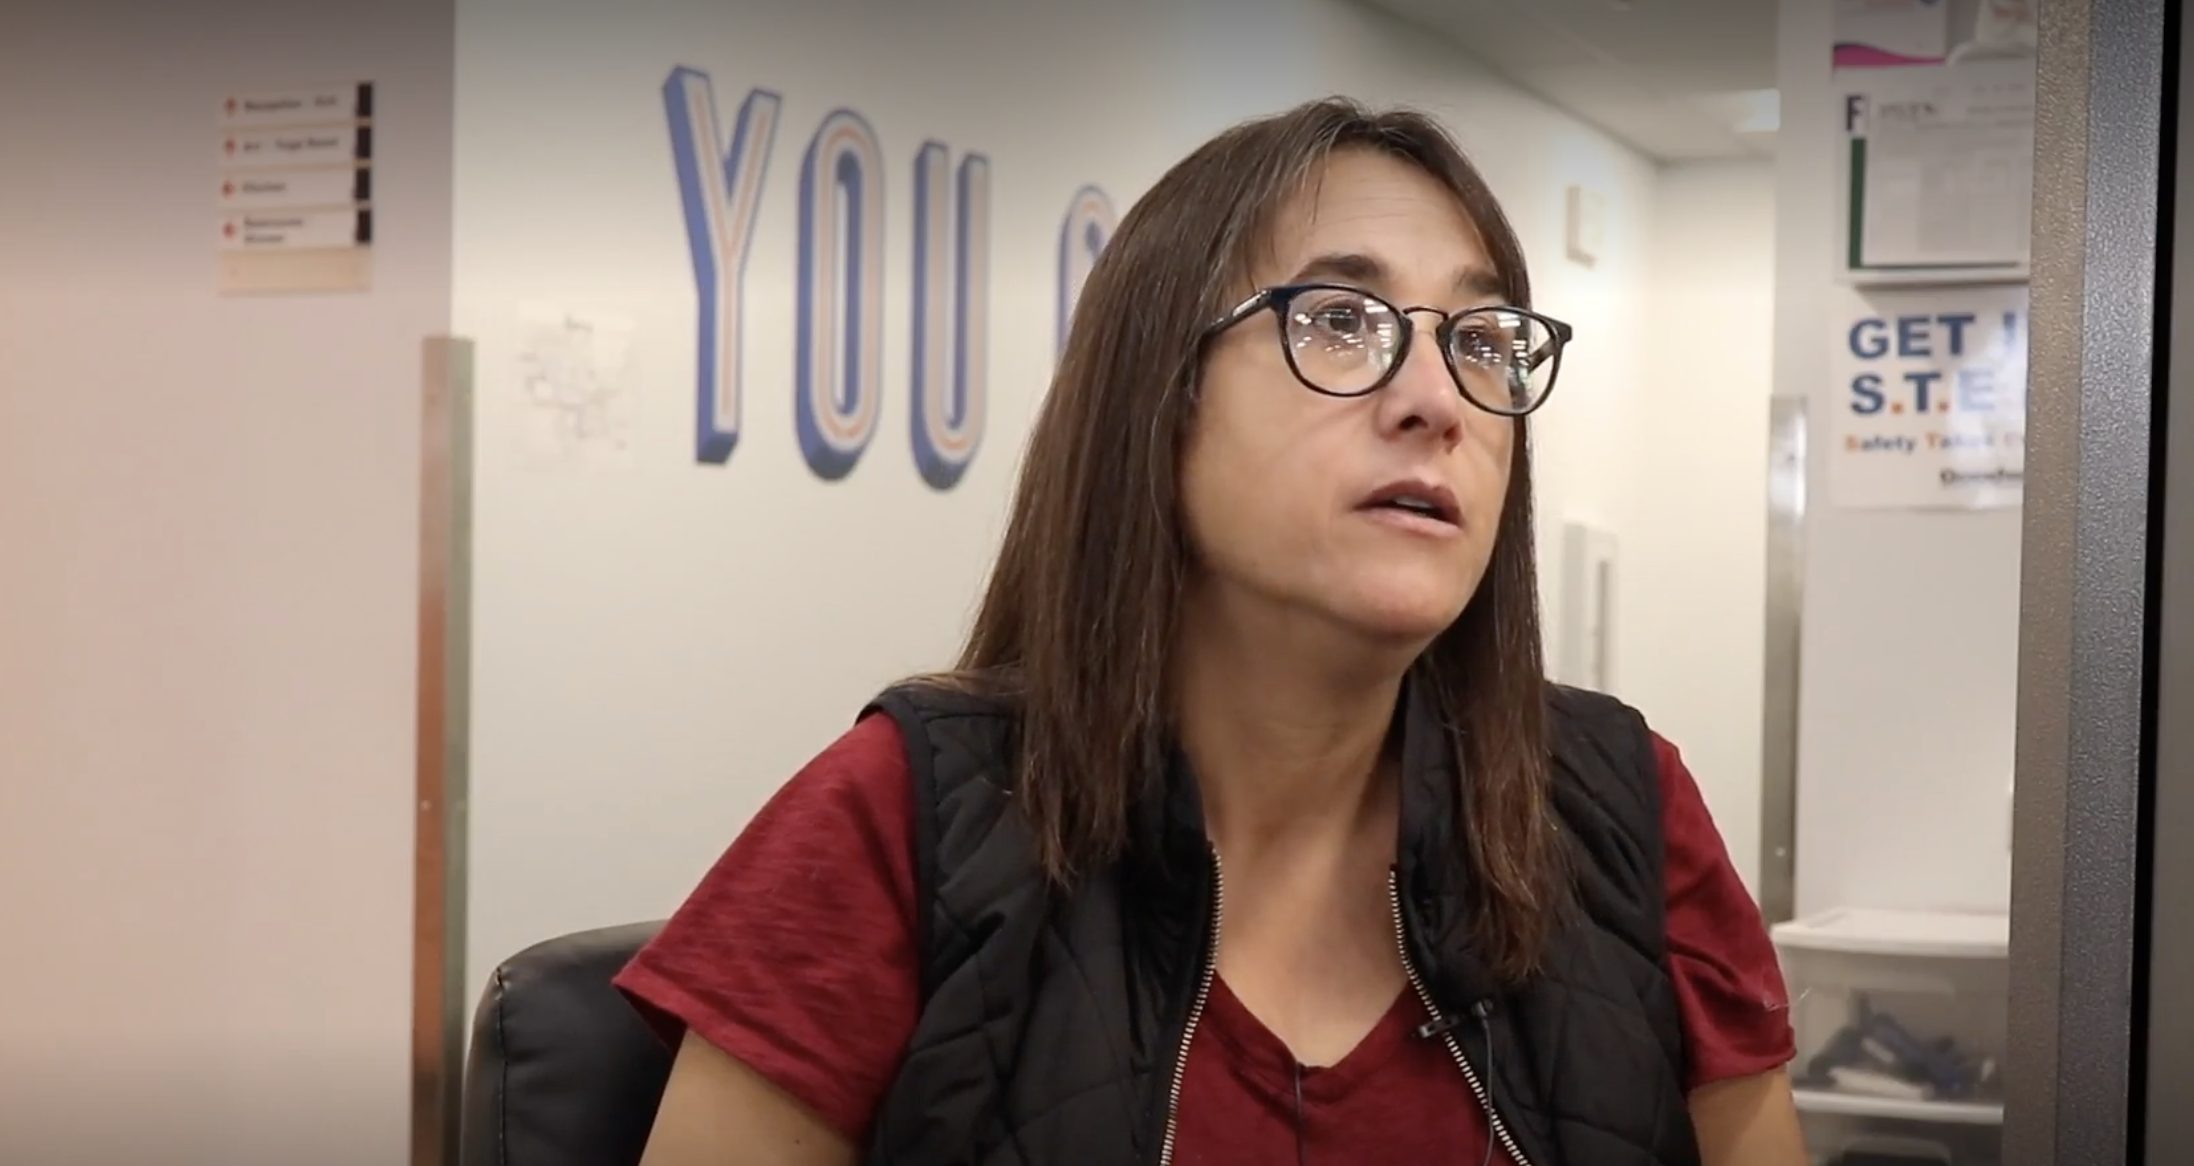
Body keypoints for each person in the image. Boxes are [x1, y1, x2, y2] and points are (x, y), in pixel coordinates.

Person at [614, 97, 1806, 1166]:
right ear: (1160, 394)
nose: (1436, 401)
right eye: (1341, 319)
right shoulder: (902, 813)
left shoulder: (1617, 806)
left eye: (1483, 340)